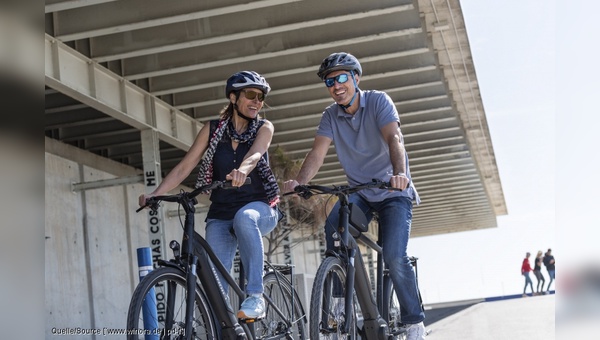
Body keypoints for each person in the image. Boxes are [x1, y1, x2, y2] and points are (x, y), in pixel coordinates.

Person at [283, 52, 426, 340]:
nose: (336, 85)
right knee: (334, 228)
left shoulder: (378, 101)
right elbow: (318, 153)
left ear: (356, 78)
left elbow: (394, 139)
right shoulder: (329, 116)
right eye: (329, 81)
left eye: (342, 78)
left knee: (395, 256)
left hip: (392, 191)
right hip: (360, 192)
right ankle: (337, 305)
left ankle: (414, 322)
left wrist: (400, 175)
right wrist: (299, 182)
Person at [139, 71, 281, 319]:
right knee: (214, 290)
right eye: (251, 95)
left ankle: (255, 296)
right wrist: (156, 194)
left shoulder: (264, 127)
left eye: (261, 97)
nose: (257, 101)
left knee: (244, 218)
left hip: (260, 209)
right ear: (234, 97)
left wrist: (242, 171)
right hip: (221, 213)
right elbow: (185, 166)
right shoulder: (213, 130)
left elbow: (256, 155)